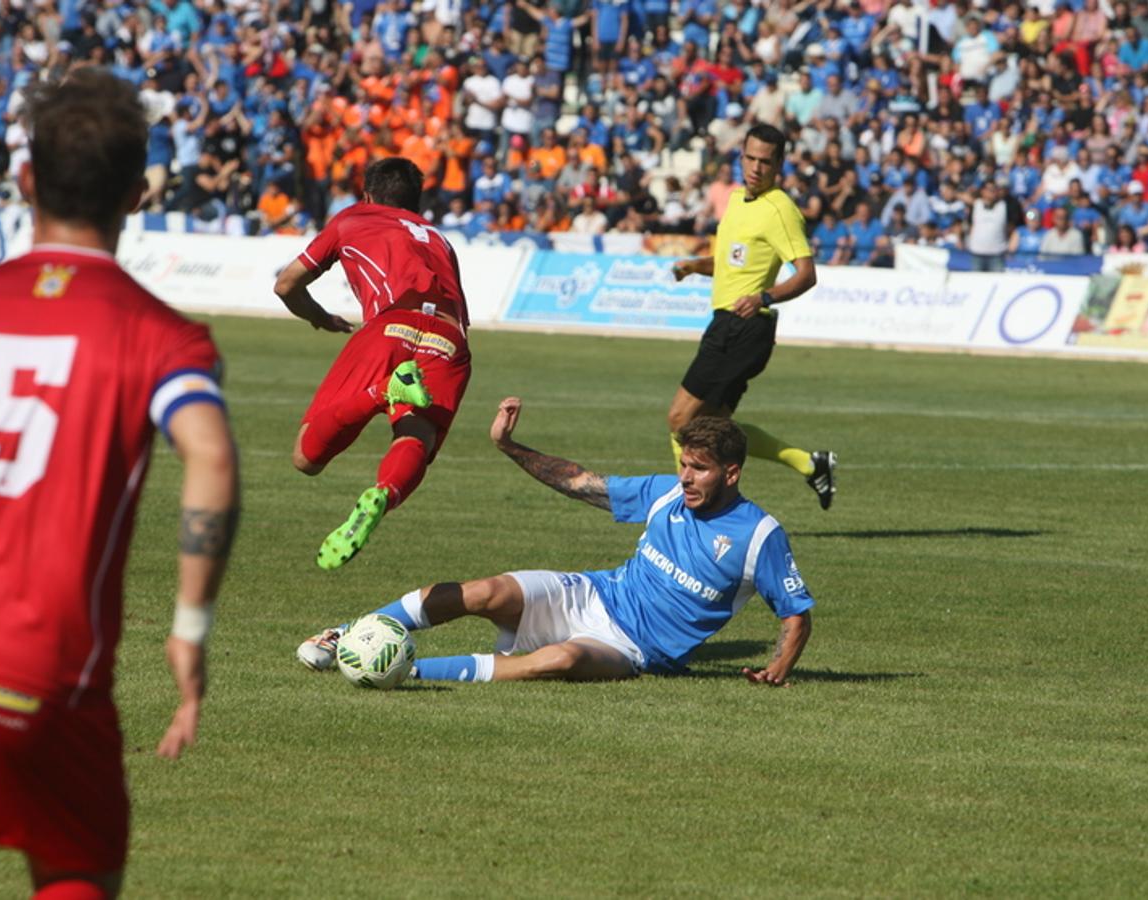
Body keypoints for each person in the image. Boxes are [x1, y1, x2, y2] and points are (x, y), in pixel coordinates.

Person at [0, 70, 240, 899]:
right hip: (41, 667)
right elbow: (208, 453)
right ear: (138, 194)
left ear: (25, 180)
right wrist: (189, 629)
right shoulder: (159, 335)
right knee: (75, 874)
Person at [296, 398, 814, 685]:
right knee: (487, 591)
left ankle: (401, 672)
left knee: (559, 660)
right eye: (683, 464)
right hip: (593, 593)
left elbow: (795, 613)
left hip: (631, 648)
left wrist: (777, 670)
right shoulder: (664, 494)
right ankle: (346, 634)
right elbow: (578, 481)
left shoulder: (758, 535)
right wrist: (508, 446)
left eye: (699, 470)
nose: (685, 477)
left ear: (731, 473)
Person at [272, 156, 472, 570]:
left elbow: (286, 283)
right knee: (414, 438)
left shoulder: (352, 218)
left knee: (305, 457)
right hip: (450, 339)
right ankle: (384, 493)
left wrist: (318, 317)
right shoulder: (439, 237)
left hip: (391, 326)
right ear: (415, 203)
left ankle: (383, 390)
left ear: (366, 194)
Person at [668, 124, 836, 510]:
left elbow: (806, 274)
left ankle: (684, 510)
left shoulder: (780, 210)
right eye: (751, 158)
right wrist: (696, 266)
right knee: (715, 431)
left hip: (743, 328)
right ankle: (810, 464)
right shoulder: (737, 201)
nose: (757, 167)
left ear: (778, 165)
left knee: (680, 420)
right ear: (740, 157)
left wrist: (764, 295)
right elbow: (731, 265)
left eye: (766, 161)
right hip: (728, 325)